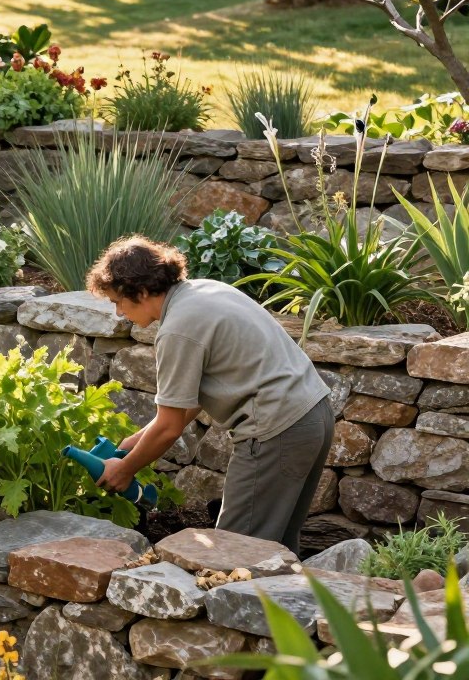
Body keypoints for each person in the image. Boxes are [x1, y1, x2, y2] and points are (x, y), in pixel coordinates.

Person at [86, 235, 334, 556]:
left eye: (118, 301)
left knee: (234, 556)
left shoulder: (178, 329)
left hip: (275, 431)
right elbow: (186, 404)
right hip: (313, 416)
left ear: (143, 291)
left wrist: (124, 469)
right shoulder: (205, 291)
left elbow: (169, 427)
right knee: (276, 550)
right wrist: (132, 444)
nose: (119, 312)